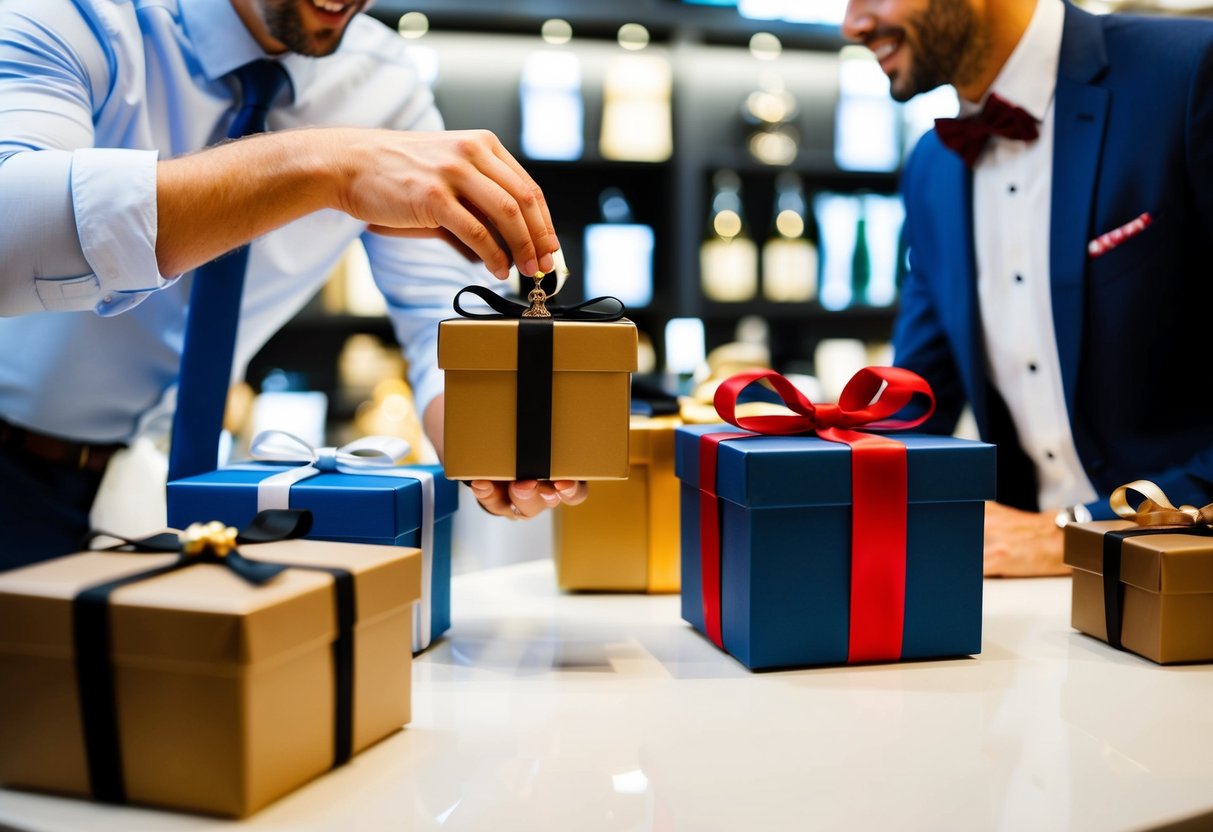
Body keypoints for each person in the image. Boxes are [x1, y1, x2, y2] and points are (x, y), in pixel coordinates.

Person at [0, 0, 587, 571]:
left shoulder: (385, 83)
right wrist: (323, 165)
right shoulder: (80, 16)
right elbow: (14, 229)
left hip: (163, 486)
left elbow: (438, 311)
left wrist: (493, 439)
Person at [841, 0, 1213, 576]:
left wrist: (1077, 530)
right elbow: (913, 407)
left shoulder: (1190, 71)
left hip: (1189, 589)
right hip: (1026, 605)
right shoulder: (929, 167)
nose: (853, 23)